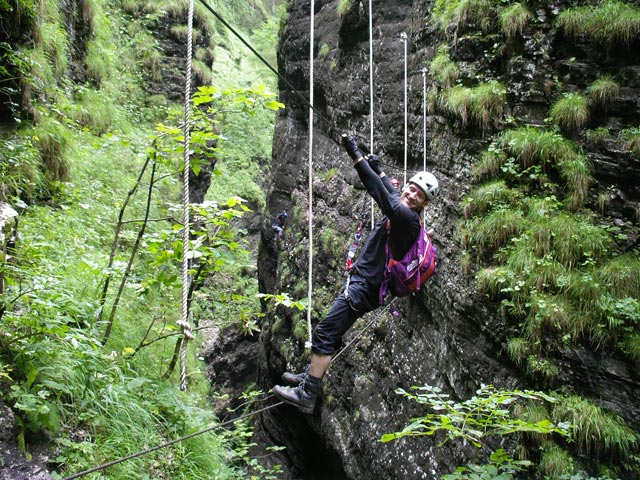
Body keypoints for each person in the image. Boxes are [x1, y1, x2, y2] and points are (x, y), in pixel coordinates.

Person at [273, 134, 439, 414]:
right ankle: (308, 376)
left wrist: (356, 156)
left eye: (418, 195)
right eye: (411, 188)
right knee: (332, 331)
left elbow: (378, 192)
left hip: (365, 288)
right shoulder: (407, 212)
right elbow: (389, 191)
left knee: (325, 331)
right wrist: (380, 168)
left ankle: (307, 394)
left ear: (424, 203)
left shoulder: (407, 218)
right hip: (365, 285)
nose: (411, 194)